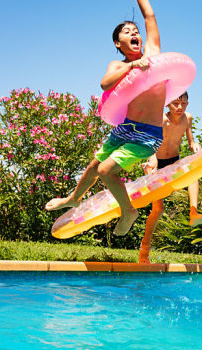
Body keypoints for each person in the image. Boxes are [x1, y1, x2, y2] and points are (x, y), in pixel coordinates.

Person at [45, 0, 165, 236]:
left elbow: (149, 16)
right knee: (94, 165)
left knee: (106, 170)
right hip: (124, 128)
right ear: (117, 43)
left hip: (147, 134)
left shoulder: (153, 54)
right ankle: (73, 198)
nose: (134, 34)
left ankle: (128, 211)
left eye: (136, 31)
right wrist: (132, 67)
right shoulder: (118, 65)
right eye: (127, 32)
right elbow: (105, 83)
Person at [138, 91, 202, 263]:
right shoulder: (161, 120)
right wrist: (151, 161)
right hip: (155, 162)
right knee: (158, 209)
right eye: (175, 103)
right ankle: (144, 251)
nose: (180, 107)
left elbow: (190, 141)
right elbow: (150, 144)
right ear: (167, 104)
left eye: (184, 103)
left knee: (193, 174)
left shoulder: (187, 118)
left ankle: (193, 212)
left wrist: (194, 144)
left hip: (173, 162)